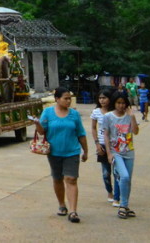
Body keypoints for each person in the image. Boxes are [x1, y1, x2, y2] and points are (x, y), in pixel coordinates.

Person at [34, 87, 88, 223]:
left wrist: (85, 151)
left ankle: (73, 211)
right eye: (66, 98)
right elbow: (41, 132)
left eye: (69, 98)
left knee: (71, 179)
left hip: (72, 152)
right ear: (57, 99)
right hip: (54, 152)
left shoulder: (74, 115)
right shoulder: (47, 112)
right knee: (58, 179)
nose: (68, 101)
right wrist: (37, 124)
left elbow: (81, 134)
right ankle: (62, 205)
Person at [103, 90, 140, 219]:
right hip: (116, 152)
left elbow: (135, 132)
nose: (121, 105)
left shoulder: (129, 116)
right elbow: (106, 135)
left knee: (128, 179)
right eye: (118, 103)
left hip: (129, 151)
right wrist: (108, 153)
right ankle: (122, 206)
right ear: (114, 103)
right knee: (123, 176)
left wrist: (132, 117)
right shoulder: (108, 117)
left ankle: (125, 205)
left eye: (123, 103)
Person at [91, 87, 120, 205]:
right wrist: (97, 144)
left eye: (104, 98)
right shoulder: (96, 112)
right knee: (105, 172)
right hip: (102, 144)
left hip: (115, 145)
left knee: (117, 172)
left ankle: (118, 195)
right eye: (100, 98)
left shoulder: (116, 111)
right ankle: (110, 192)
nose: (102, 100)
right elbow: (93, 128)